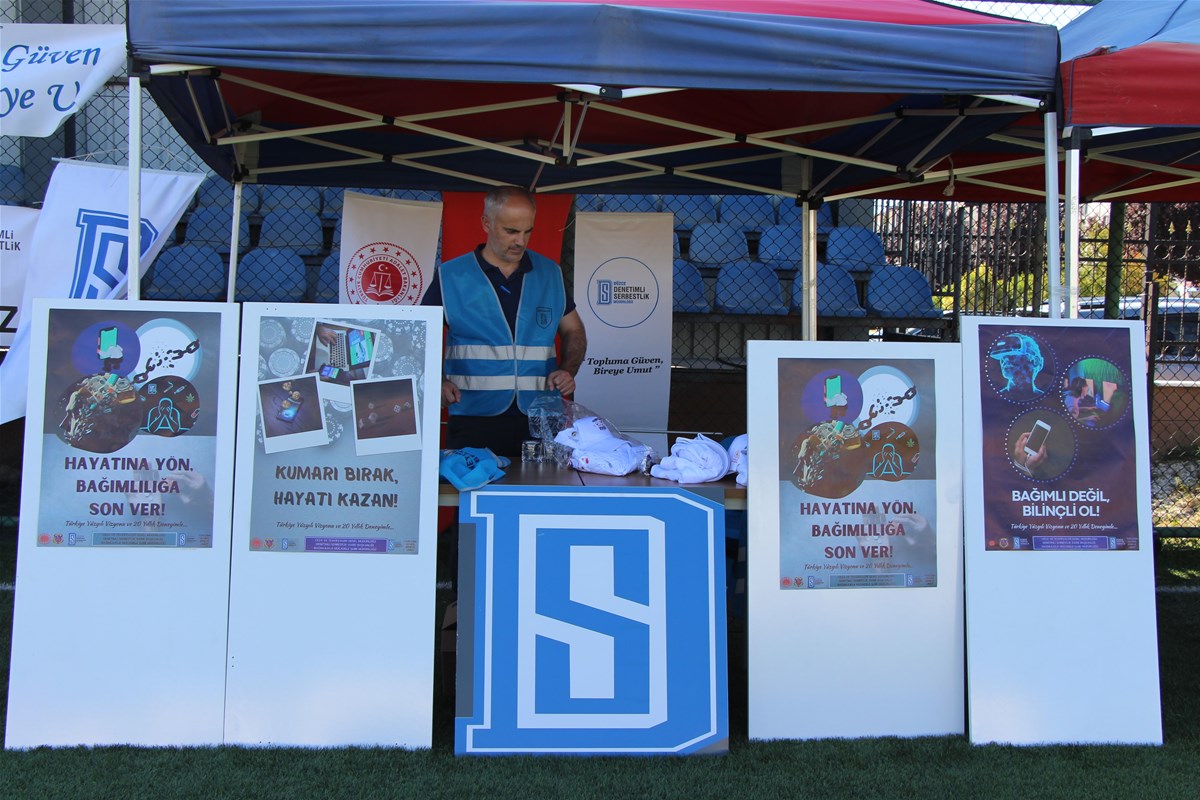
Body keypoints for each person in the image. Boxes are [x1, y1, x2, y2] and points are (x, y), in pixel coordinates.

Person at [423, 185, 586, 458]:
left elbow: (574, 329)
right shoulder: (450, 276)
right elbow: (419, 337)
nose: (520, 241)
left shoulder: (550, 274)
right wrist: (436, 381)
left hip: (541, 416)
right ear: (486, 223)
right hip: (473, 416)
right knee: (475, 486)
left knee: (541, 486)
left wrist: (568, 370)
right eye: (511, 231)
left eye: (527, 231)